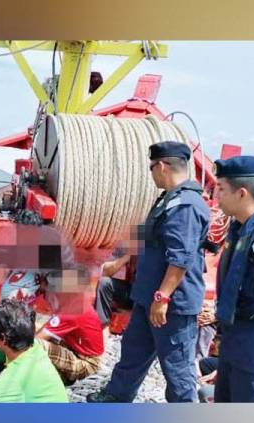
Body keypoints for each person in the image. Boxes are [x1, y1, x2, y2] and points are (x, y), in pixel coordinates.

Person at [87, 141, 210, 403]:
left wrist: (162, 298)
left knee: (177, 369)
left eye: (151, 167)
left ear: (163, 166)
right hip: (148, 298)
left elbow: (181, 258)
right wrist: (119, 263)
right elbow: (149, 236)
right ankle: (116, 398)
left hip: (170, 306)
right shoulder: (168, 199)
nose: (151, 172)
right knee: (133, 353)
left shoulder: (185, 205)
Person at [212, 155, 254, 402]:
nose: (216, 196)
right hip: (235, 337)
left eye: (221, 189)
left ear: (242, 193)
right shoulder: (239, 228)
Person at [37, 307, 104, 385]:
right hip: (74, 350)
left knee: (35, 344)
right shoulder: (76, 305)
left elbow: (37, 339)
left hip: (87, 363)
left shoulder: (71, 311)